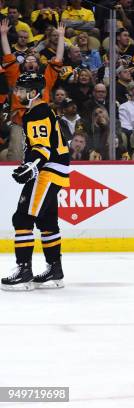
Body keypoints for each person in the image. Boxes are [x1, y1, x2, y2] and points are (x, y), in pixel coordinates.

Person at [2, 72, 69, 291]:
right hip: (54, 170)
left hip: (46, 172)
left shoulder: (37, 113)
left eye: (21, 90)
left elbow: (42, 147)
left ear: (33, 92)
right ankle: (54, 269)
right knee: (47, 221)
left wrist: (30, 167)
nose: (17, 93)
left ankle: (24, 270)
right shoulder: (40, 111)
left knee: (22, 217)